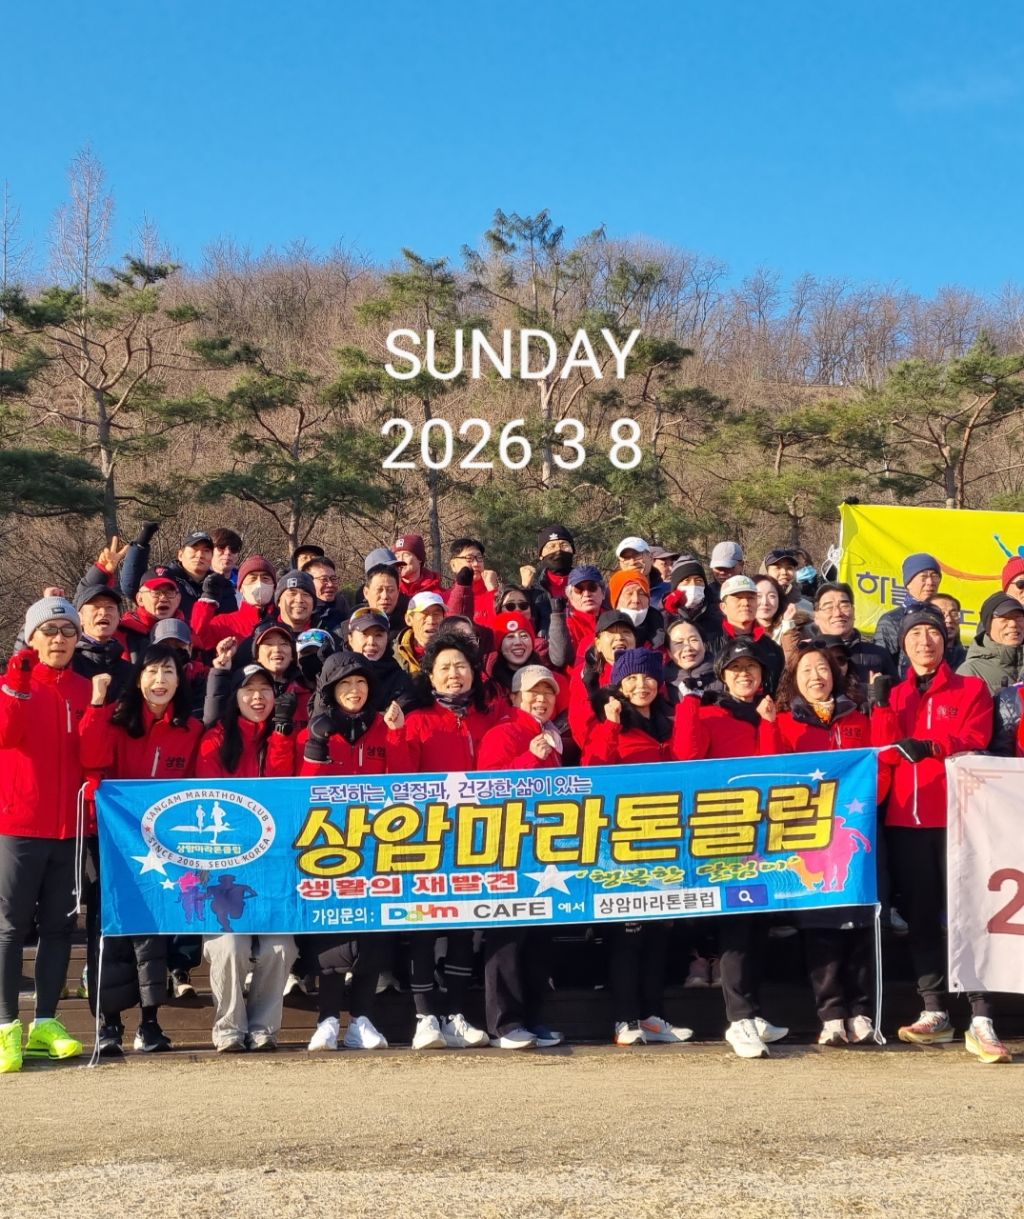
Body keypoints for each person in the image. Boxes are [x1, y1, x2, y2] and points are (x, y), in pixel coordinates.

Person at [878, 605, 1008, 1063]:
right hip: (906, 821)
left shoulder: (970, 687)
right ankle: (934, 1008)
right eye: (915, 634)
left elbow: (976, 737)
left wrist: (934, 745)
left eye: (931, 632)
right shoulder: (895, 694)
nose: (924, 642)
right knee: (920, 915)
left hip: (960, 819)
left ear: (945, 638)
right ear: (903, 643)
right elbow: (884, 751)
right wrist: (881, 708)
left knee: (968, 915)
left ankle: (982, 1014)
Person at [771, 641, 895, 1047]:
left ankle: (862, 1010)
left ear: (836, 674)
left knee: (860, 923)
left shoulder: (857, 716)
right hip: (810, 838)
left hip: (857, 833)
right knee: (820, 927)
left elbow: (884, 759)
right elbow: (771, 771)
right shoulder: (785, 722)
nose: (816, 677)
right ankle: (831, 1013)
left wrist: (882, 709)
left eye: (822, 668)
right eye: (806, 670)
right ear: (794, 680)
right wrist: (769, 726)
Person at [81, 642, 203, 1055]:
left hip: (164, 847)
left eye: (169, 672)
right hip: (112, 842)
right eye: (152, 672)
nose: (160, 680)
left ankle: (149, 1023)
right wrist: (97, 704)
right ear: (138, 679)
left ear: (179, 681)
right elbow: (91, 759)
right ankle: (108, 1023)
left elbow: (196, 786)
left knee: (154, 931)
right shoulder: (116, 720)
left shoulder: (190, 729)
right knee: (110, 929)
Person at [673, 638, 788, 1059]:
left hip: (767, 838)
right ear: (723, 675)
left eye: (751, 668)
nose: (744, 675)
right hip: (725, 836)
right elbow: (687, 756)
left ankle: (753, 1012)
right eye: (736, 669)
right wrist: (688, 703)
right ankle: (739, 1019)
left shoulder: (770, 715)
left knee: (758, 929)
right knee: (736, 929)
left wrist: (770, 724)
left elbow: (777, 772)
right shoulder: (708, 713)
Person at [0, 597, 93, 1073]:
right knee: (10, 928)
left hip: (70, 829)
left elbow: (96, 751)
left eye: (68, 630)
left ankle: (46, 1024)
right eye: (49, 630)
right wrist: (17, 682)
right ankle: (5, 1027)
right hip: (18, 825)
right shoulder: (12, 685)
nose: (59, 639)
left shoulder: (85, 688)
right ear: (31, 637)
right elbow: (5, 735)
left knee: (59, 928)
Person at [401, 633, 506, 1049]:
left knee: (466, 927)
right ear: (429, 676)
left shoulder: (490, 719)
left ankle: (456, 1013)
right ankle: (425, 1016)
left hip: (481, 836)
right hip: (429, 837)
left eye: (460, 666)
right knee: (424, 926)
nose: (453, 674)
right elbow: (401, 778)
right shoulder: (416, 720)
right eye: (444, 667)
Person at [195, 662, 297, 1051]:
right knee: (229, 948)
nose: (257, 698)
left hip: (274, 869)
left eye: (265, 690)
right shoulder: (215, 739)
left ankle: (263, 1027)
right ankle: (229, 1028)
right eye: (248, 690)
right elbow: (211, 799)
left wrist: (282, 738)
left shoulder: (285, 736)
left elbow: (284, 794)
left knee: (280, 948)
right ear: (234, 696)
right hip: (225, 866)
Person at [582, 649, 677, 766]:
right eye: (631, 678)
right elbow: (593, 767)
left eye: (648, 677)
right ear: (620, 687)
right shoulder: (604, 722)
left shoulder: (673, 719)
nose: (641, 685)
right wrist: (611, 725)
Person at [567, 610, 637, 749]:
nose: (619, 637)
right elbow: (583, 732)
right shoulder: (586, 676)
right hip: (605, 749)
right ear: (598, 644)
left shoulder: (647, 672)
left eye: (626, 632)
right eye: (611, 633)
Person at [811, 582, 896, 682]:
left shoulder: (878, 654)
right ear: (816, 617)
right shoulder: (808, 654)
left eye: (844, 606)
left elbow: (897, 690)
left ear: (854, 611)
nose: (838, 613)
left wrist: (876, 690)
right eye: (829, 607)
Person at [714, 575, 784, 695]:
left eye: (751, 598)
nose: (745, 603)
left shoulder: (772, 648)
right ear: (723, 607)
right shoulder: (709, 644)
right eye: (738, 598)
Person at [190, 555, 278, 650]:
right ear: (241, 588)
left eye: (265, 578)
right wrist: (207, 600)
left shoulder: (282, 620)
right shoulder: (224, 623)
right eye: (252, 579)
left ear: (274, 586)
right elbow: (197, 639)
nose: (259, 584)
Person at [342, 606, 416, 714]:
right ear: (350, 639)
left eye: (378, 635)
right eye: (364, 634)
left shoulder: (400, 679)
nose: (371, 642)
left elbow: (400, 712)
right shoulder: (336, 674)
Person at [874, 553, 942, 665]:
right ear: (908, 584)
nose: (930, 582)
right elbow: (882, 662)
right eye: (924, 577)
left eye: (935, 576)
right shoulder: (892, 620)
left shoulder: (942, 616)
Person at [72, 584, 133, 701]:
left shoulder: (130, 671)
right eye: (96, 607)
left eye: (110, 607)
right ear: (80, 618)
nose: (103, 612)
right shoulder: (69, 664)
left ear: (119, 617)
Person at [956, 591, 1024, 693]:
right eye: (1004, 618)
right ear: (988, 625)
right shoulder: (971, 671)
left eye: (1018, 617)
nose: (1013, 624)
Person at [661, 557, 720, 645]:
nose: (693, 585)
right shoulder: (662, 616)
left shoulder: (717, 612)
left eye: (698, 580)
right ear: (676, 587)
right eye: (687, 581)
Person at [607, 570, 664, 650]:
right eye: (629, 593)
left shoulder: (664, 633)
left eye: (641, 593)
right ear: (616, 601)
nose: (636, 599)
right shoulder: (604, 637)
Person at [394, 591, 446, 676]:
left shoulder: (452, 651)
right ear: (409, 619)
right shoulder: (393, 652)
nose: (431, 621)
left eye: (436, 614)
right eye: (424, 614)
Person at [663, 615, 716, 701]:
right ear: (669, 652)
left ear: (704, 645)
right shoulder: (661, 685)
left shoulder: (724, 676)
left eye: (693, 640)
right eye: (679, 642)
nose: (687, 648)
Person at [393, 533, 443, 599]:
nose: (400, 560)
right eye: (397, 556)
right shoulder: (390, 590)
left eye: (406, 555)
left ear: (419, 559)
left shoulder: (437, 594)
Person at [928, 593, 967, 669]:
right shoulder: (917, 658)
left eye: (954, 614)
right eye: (941, 614)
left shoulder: (968, 660)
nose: (949, 620)